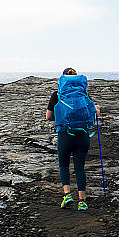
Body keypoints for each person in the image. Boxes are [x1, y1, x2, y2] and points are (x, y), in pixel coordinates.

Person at [46, 68, 100, 211]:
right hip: (82, 135)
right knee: (80, 168)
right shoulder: (84, 94)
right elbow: (93, 113)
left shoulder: (57, 94)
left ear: (63, 79)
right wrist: (98, 109)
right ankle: (82, 201)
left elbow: (48, 117)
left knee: (64, 165)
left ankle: (67, 195)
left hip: (65, 135)